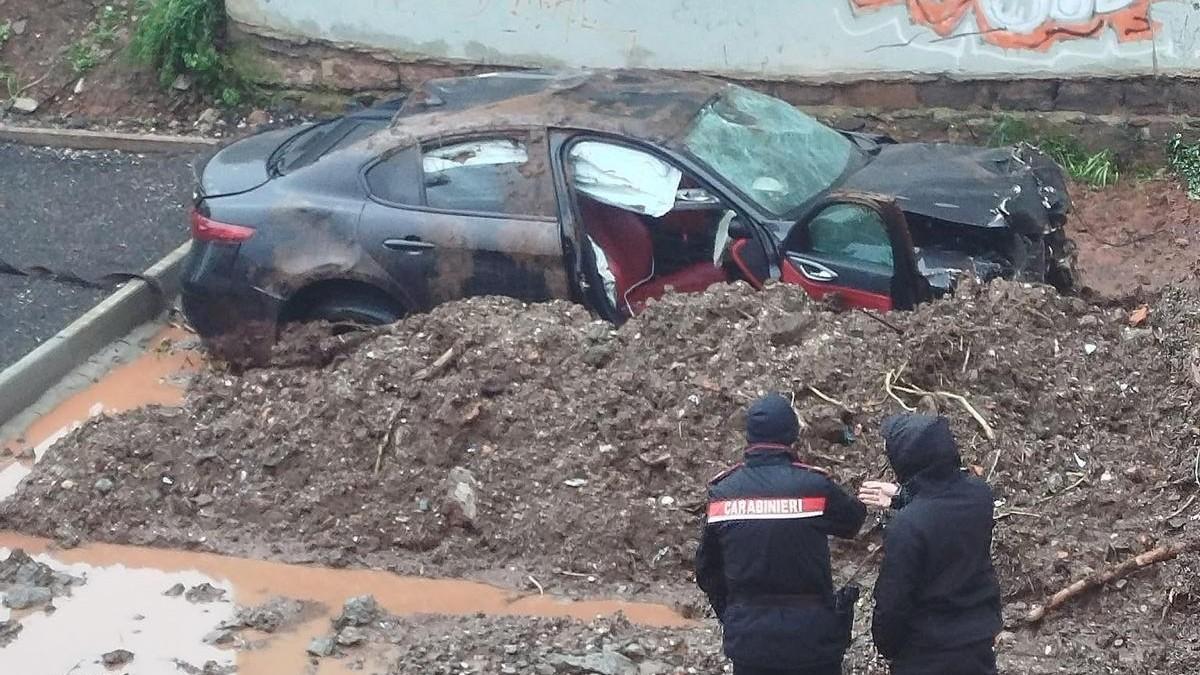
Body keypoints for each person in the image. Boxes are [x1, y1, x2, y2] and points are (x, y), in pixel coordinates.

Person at [695, 393, 868, 675]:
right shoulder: (814, 485)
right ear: (792, 434)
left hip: (751, 643)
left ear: (749, 436)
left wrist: (733, 613)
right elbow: (853, 522)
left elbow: (706, 570)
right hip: (812, 642)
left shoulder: (723, 493)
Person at [858, 413, 1002, 675]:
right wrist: (904, 497)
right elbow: (944, 511)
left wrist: (887, 646)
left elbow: (893, 603)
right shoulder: (980, 497)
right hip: (976, 646)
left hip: (926, 655)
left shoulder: (906, 527)